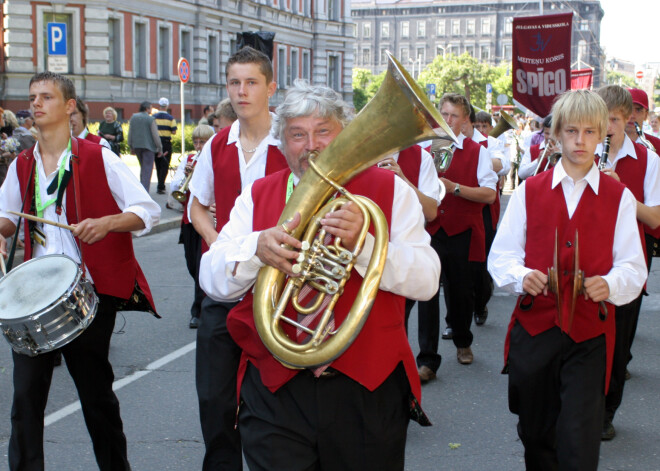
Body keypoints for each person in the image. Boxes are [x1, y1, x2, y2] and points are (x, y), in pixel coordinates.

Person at [199, 79, 439, 471]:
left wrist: (364, 247)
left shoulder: (392, 192)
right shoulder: (257, 195)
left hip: (366, 387)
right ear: (282, 145)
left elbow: (428, 281)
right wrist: (256, 249)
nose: (311, 144)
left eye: (323, 131)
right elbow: (212, 278)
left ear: (345, 136)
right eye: (297, 134)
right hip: (277, 391)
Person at [0, 71, 161, 471]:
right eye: (33, 97)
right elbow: (6, 218)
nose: (36, 104)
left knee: (96, 399)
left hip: (87, 293)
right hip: (36, 297)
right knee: (25, 401)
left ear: (69, 106)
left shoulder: (96, 155)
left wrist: (107, 223)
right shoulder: (23, 164)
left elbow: (147, 211)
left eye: (47, 97)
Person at [488, 89, 646, 471]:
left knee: (579, 441)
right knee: (537, 435)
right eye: (571, 131)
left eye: (590, 132)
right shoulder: (530, 190)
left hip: (589, 336)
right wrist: (523, 276)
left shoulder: (619, 196)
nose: (580, 140)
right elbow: (502, 256)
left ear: (601, 136)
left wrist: (609, 283)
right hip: (536, 329)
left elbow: (633, 267)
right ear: (556, 134)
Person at [187, 45, 288, 471]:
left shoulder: (290, 141)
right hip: (227, 282)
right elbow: (196, 205)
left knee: (274, 399)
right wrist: (215, 244)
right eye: (234, 82)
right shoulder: (216, 146)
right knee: (214, 397)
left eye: (251, 82)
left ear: (271, 87)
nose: (241, 91)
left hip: (280, 284)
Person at [595, 85, 660, 440]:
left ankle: (607, 410)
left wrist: (621, 194)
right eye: (598, 119)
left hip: (629, 261)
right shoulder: (585, 151)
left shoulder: (649, 160)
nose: (605, 128)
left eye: (613, 120)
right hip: (590, 257)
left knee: (618, 343)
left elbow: (654, 219)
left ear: (629, 118)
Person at [416, 93, 497, 372]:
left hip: (462, 231)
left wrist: (455, 188)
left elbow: (489, 194)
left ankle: (463, 341)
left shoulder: (478, 151)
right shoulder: (428, 149)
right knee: (427, 292)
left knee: (461, 293)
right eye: (444, 114)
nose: (447, 120)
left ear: (465, 121)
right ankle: (427, 358)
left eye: (453, 115)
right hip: (432, 229)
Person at [463, 107, 510, 327]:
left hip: (483, 209)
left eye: (484, 126)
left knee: (481, 263)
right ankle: (454, 320)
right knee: (457, 267)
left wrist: (474, 156)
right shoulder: (452, 142)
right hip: (459, 206)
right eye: (477, 125)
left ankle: (481, 302)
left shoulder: (491, 145)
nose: (480, 129)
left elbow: (502, 165)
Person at [170, 124, 215, 329]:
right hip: (188, 220)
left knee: (200, 267)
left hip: (206, 220)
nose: (198, 146)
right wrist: (185, 175)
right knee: (191, 265)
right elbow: (175, 188)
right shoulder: (188, 160)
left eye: (203, 142)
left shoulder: (215, 158)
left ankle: (197, 310)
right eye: (196, 142)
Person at [128, 101, 163, 192]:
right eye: (150, 108)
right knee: (147, 170)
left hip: (137, 146)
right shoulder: (150, 119)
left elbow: (130, 132)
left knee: (143, 168)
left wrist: (131, 146)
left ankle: (141, 189)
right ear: (147, 109)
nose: (151, 110)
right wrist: (159, 148)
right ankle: (144, 191)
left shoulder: (133, 117)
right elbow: (155, 135)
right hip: (148, 147)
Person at [517, 115, 559, 180]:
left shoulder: (564, 151)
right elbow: (521, 174)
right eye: (547, 133)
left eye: (553, 134)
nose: (550, 137)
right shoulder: (532, 150)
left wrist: (560, 157)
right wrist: (538, 161)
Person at [153, 97, 178, 194]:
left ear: (159, 105)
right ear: (167, 106)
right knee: (165, 164)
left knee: (158, 164)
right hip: (166, 143)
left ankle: (159, 184)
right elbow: (174, 131)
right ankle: (161, 185)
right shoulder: (171, 118)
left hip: (156, 143)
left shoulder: (154, 117)